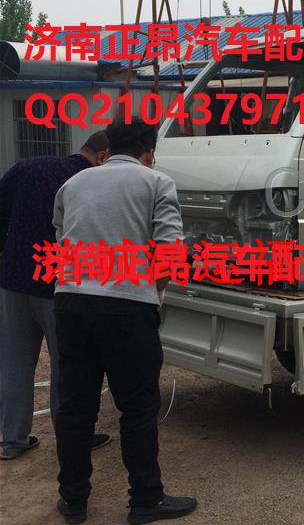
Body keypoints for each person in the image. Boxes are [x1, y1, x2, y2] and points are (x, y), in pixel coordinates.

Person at [52, 119, 197, 525]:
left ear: (109, 148)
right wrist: (154, 294)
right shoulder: (156, 183)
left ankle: (73, 500)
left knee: (75, 407)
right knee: (137, 408)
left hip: (72, 304)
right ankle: (146, 499)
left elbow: (63, 240)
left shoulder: (73, 184)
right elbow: (168, 254)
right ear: (149, 152)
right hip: (127, 307)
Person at [0, 132, 112, 461]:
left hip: (13, 280)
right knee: (67, 364)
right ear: (103, 156)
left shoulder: (25, 167)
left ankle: (11, 440)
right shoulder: (89, 182)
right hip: (58, 286)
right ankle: (72, 437)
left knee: (14, 363)